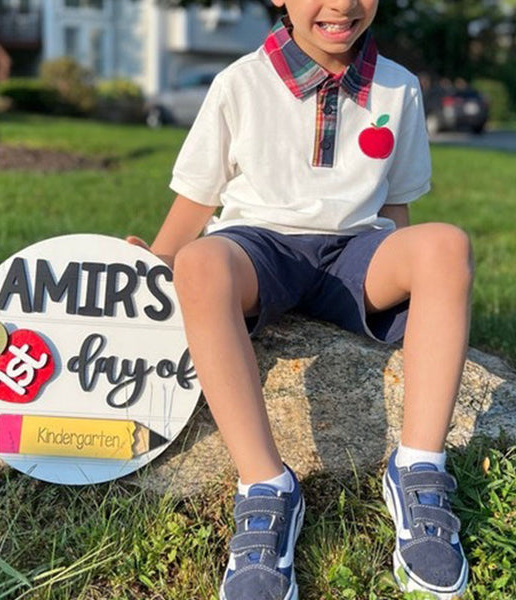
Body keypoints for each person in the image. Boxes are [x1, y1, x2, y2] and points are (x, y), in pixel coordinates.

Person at [128, 0, 474, 598]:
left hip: (356, 253)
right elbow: (196, 199)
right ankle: (265, 488)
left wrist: (418, 277)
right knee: (201, 261)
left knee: (445, 245)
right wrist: (159, 260)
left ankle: (419, 469)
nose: (342, 5)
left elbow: (396, 211)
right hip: (261, 250)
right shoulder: (240, 82)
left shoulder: (400, 87)